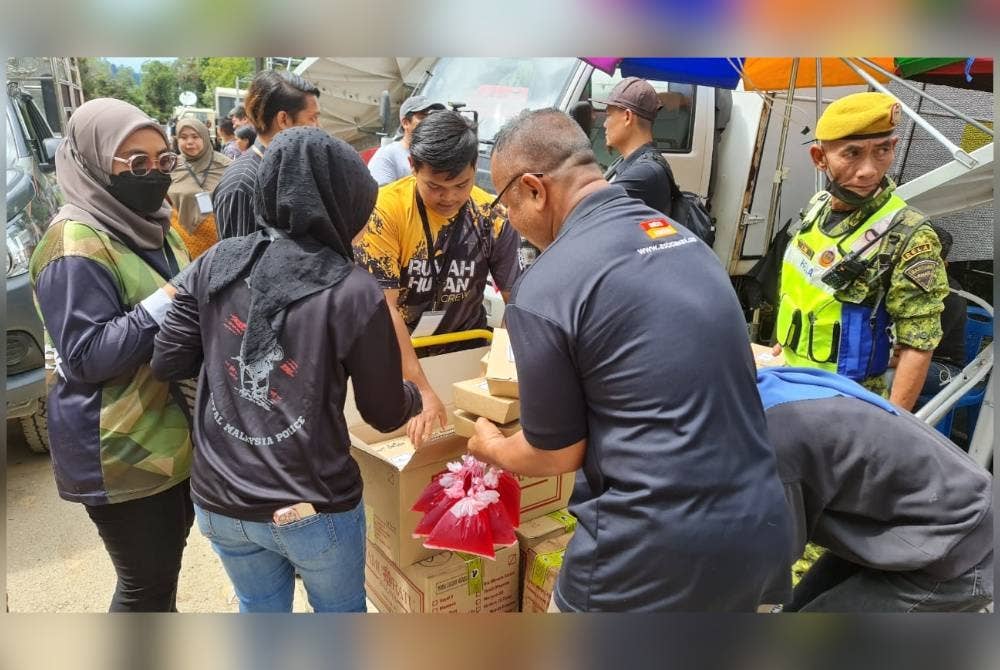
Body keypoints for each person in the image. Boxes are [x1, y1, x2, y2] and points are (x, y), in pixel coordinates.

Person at [468, 108, 792, 612]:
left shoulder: (548, 287)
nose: (512, 223)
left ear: (534, 190)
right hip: (759, 531)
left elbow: (554, 454)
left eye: (508, 207)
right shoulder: (683, 240)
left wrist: (492, 447)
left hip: (647, 555)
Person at [151, 127, 421, 613]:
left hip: (221, 498)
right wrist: (414, 397)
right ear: (341, 203)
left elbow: (168, 359)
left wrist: (224, 349)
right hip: (313, 505)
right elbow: (384, 414)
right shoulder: (354, 290)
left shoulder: (216, 261)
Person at [28, 98, 193, 612]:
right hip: (120, 450)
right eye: (136, 163)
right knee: (145, 587)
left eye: (163, 161)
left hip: (169, 437)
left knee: (161, 582)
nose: (154, 175)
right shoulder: (73, 244)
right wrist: (173, 297)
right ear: (94, 163)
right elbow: (87, 356)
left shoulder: (155, 225)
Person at [756, 367, 992, 612]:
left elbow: (760, 580)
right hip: (905, 526)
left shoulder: (769, 446)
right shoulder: (764, 389)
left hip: (961, 550)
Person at [353, 110, 521, 448]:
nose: (450, 197)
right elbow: (384, 309)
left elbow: (517, 299)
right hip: (399, 357)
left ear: (474, 168)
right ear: (413, 166)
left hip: (466, 347)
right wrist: (420, 389)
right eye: (435, 186)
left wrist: (495, 374)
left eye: (461, 185)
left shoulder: (491, 215)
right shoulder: (384, 211)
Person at [774, 92, 949, 411]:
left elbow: (918, 344)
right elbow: (806, 293)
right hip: (791, 378)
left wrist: (893, 423)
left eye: (882, 150)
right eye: (852, 153)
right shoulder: (817, 207)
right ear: (819, 158)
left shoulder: (908, 234)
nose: (868, 170)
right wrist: (786, 341)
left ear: (894, 147)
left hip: (848, 403)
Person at [213, 70, 321, 239]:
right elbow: (237, 254)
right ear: (283, 119)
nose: (318, 127)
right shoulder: (241, 184)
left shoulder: (292, 166)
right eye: (312, 118)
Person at [593, 76, 675, 217]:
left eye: (608, 115)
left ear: (627, 117)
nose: (605, 124)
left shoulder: (644, 172)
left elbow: (591, 213)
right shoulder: (633, 162)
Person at [168, 117, 231, 259]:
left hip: (220, 240)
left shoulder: (225, 165)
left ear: (205, 137)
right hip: (183, 240)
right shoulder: (171, 166)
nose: (189, 142)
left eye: (195, 136)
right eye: (183, 137)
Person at [918, 226, 967, 398]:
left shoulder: (951, 296)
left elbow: (921, 347)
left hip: (944, 365)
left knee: (886, 376)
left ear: (943, 264)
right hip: (904, 355)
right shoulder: (905, 285)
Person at [367, 95, 445, 186]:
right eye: (423, 116)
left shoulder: (441, 152)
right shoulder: (387, 155)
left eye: (433, 116)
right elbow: (381, 193)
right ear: (405, 123)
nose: (430, 121)